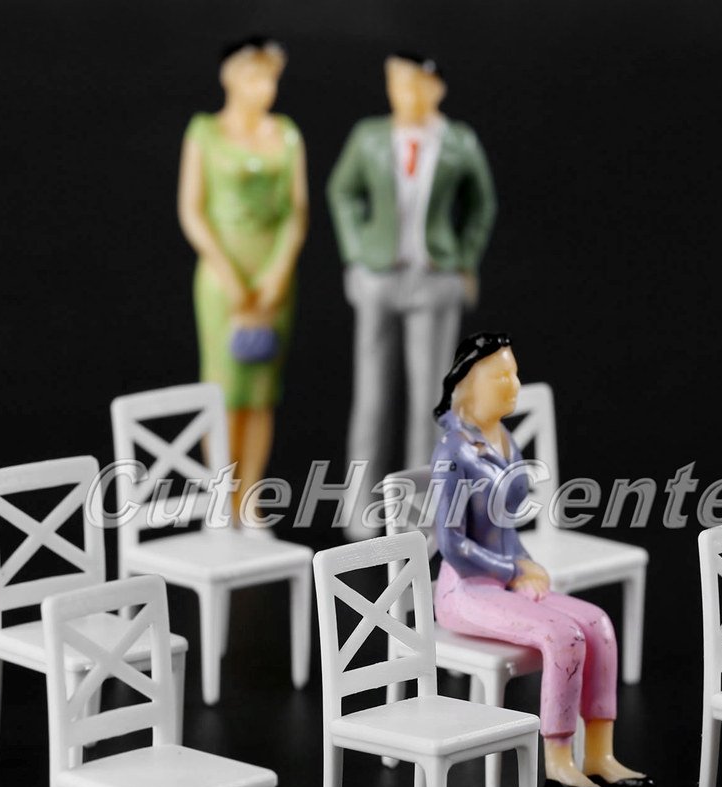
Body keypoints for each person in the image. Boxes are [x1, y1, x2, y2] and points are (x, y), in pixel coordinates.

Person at [431, 333, 654, 787]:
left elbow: (503, 525)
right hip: (465, 588)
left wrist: (524, 564)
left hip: (505, 578)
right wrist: (512, 567)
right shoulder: (453, 452)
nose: (514, 384)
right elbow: (451, 543)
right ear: (469, 386)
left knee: (598, 625)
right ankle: (559, 762)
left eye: (514, 373)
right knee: (563, 635)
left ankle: (600, 755)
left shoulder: (504, 439)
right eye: (501, 376)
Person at [327, 52, 497, 540]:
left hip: (433, 275)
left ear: (436, 88)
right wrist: (356, 255)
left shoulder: (459, 141)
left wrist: (464, 260)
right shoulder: (368, 137)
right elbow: (342, 191)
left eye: (415, 84)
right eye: (396, 83)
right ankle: (359, 507)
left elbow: (482, 204)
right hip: (380, 275)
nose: (404, 94)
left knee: (431, 398)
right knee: (371, 395)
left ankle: (421, 514)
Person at [178, 37, 308, 524]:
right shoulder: (205, 133)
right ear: (229, 77)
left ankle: (250, 496)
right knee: (224, 388)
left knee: (261, 393)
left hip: (274, 281)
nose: (265, 87)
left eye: (271, 77)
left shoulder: (287, 135)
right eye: (255, 75)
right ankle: (220, 493)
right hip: (222, 279)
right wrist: (228, 274)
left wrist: (278, 269)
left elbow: (296, 212)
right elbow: (192, 210)